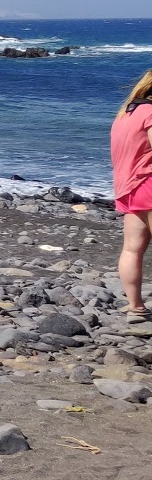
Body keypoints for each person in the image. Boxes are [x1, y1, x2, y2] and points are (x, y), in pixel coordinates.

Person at [112, 70, 152, 324]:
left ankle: (135, 307)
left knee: (131, 249)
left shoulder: (127, 112)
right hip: (148, 182)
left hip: (129, 188)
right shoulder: (151, 113)